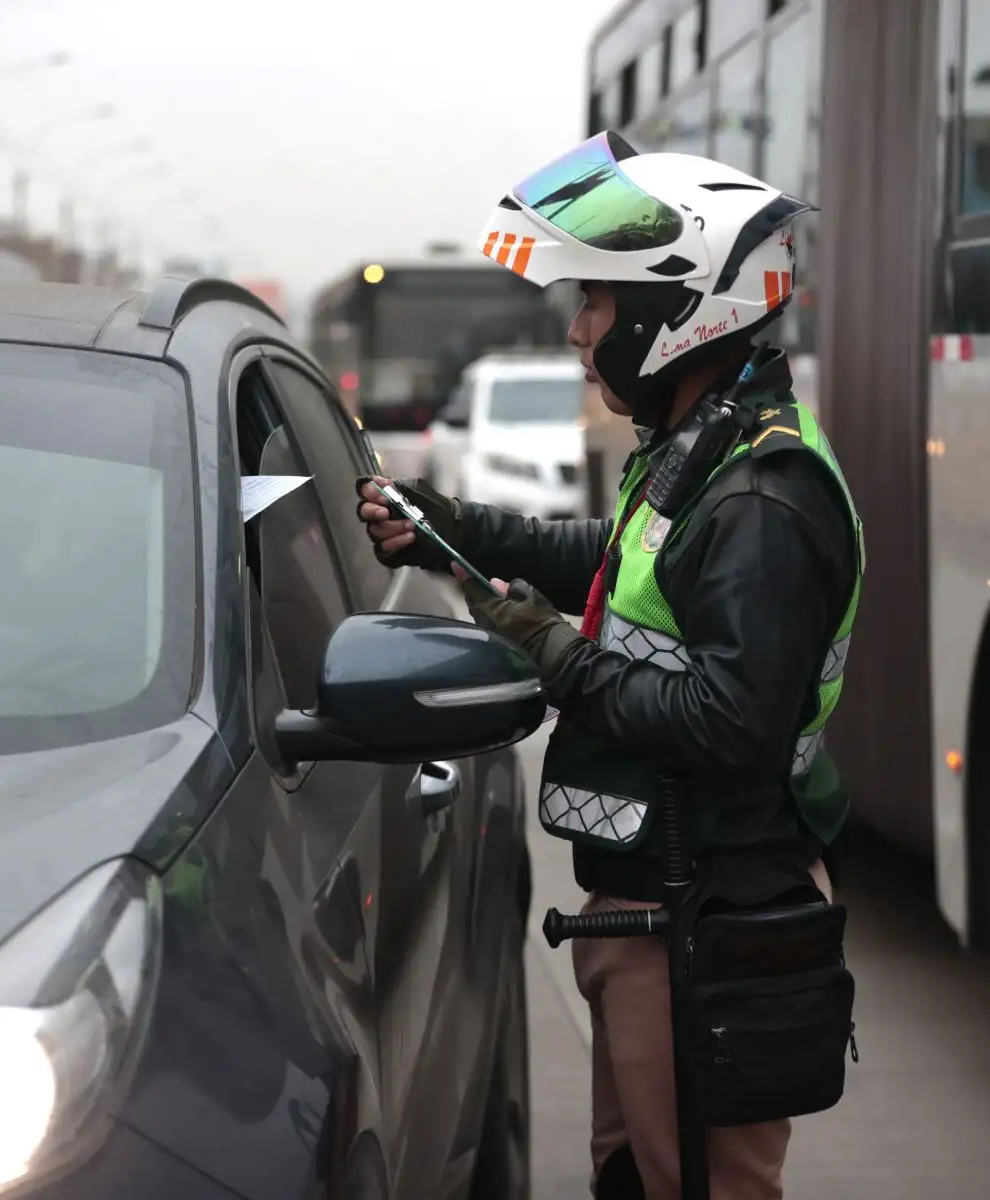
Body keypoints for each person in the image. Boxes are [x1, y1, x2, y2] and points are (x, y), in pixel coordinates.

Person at [355, 131, 864, 1200]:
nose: (581, 329)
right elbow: (622, 561)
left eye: (596, 301)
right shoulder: (704, 446)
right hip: (656, 905)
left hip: (710, 913)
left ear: (678, 309)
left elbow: (732, 724)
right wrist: (460, 529)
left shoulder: (763, 498)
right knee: (635, 1178)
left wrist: (552, 654)